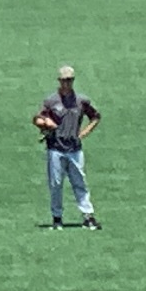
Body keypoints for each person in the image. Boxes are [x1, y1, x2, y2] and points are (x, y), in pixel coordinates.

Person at [36, 66, 98, 229]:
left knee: (79, 182)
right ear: (59, 81)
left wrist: (84, 133)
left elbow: (95, 117)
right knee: (56, 184)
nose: (67, 84)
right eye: (64, 80)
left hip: (75, 149)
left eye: (69, 80)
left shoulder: (81, 101)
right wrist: (45, 122)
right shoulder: (51, 101)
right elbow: (38, 118)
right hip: (55, 148)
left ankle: (88, 216)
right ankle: (57, 218)